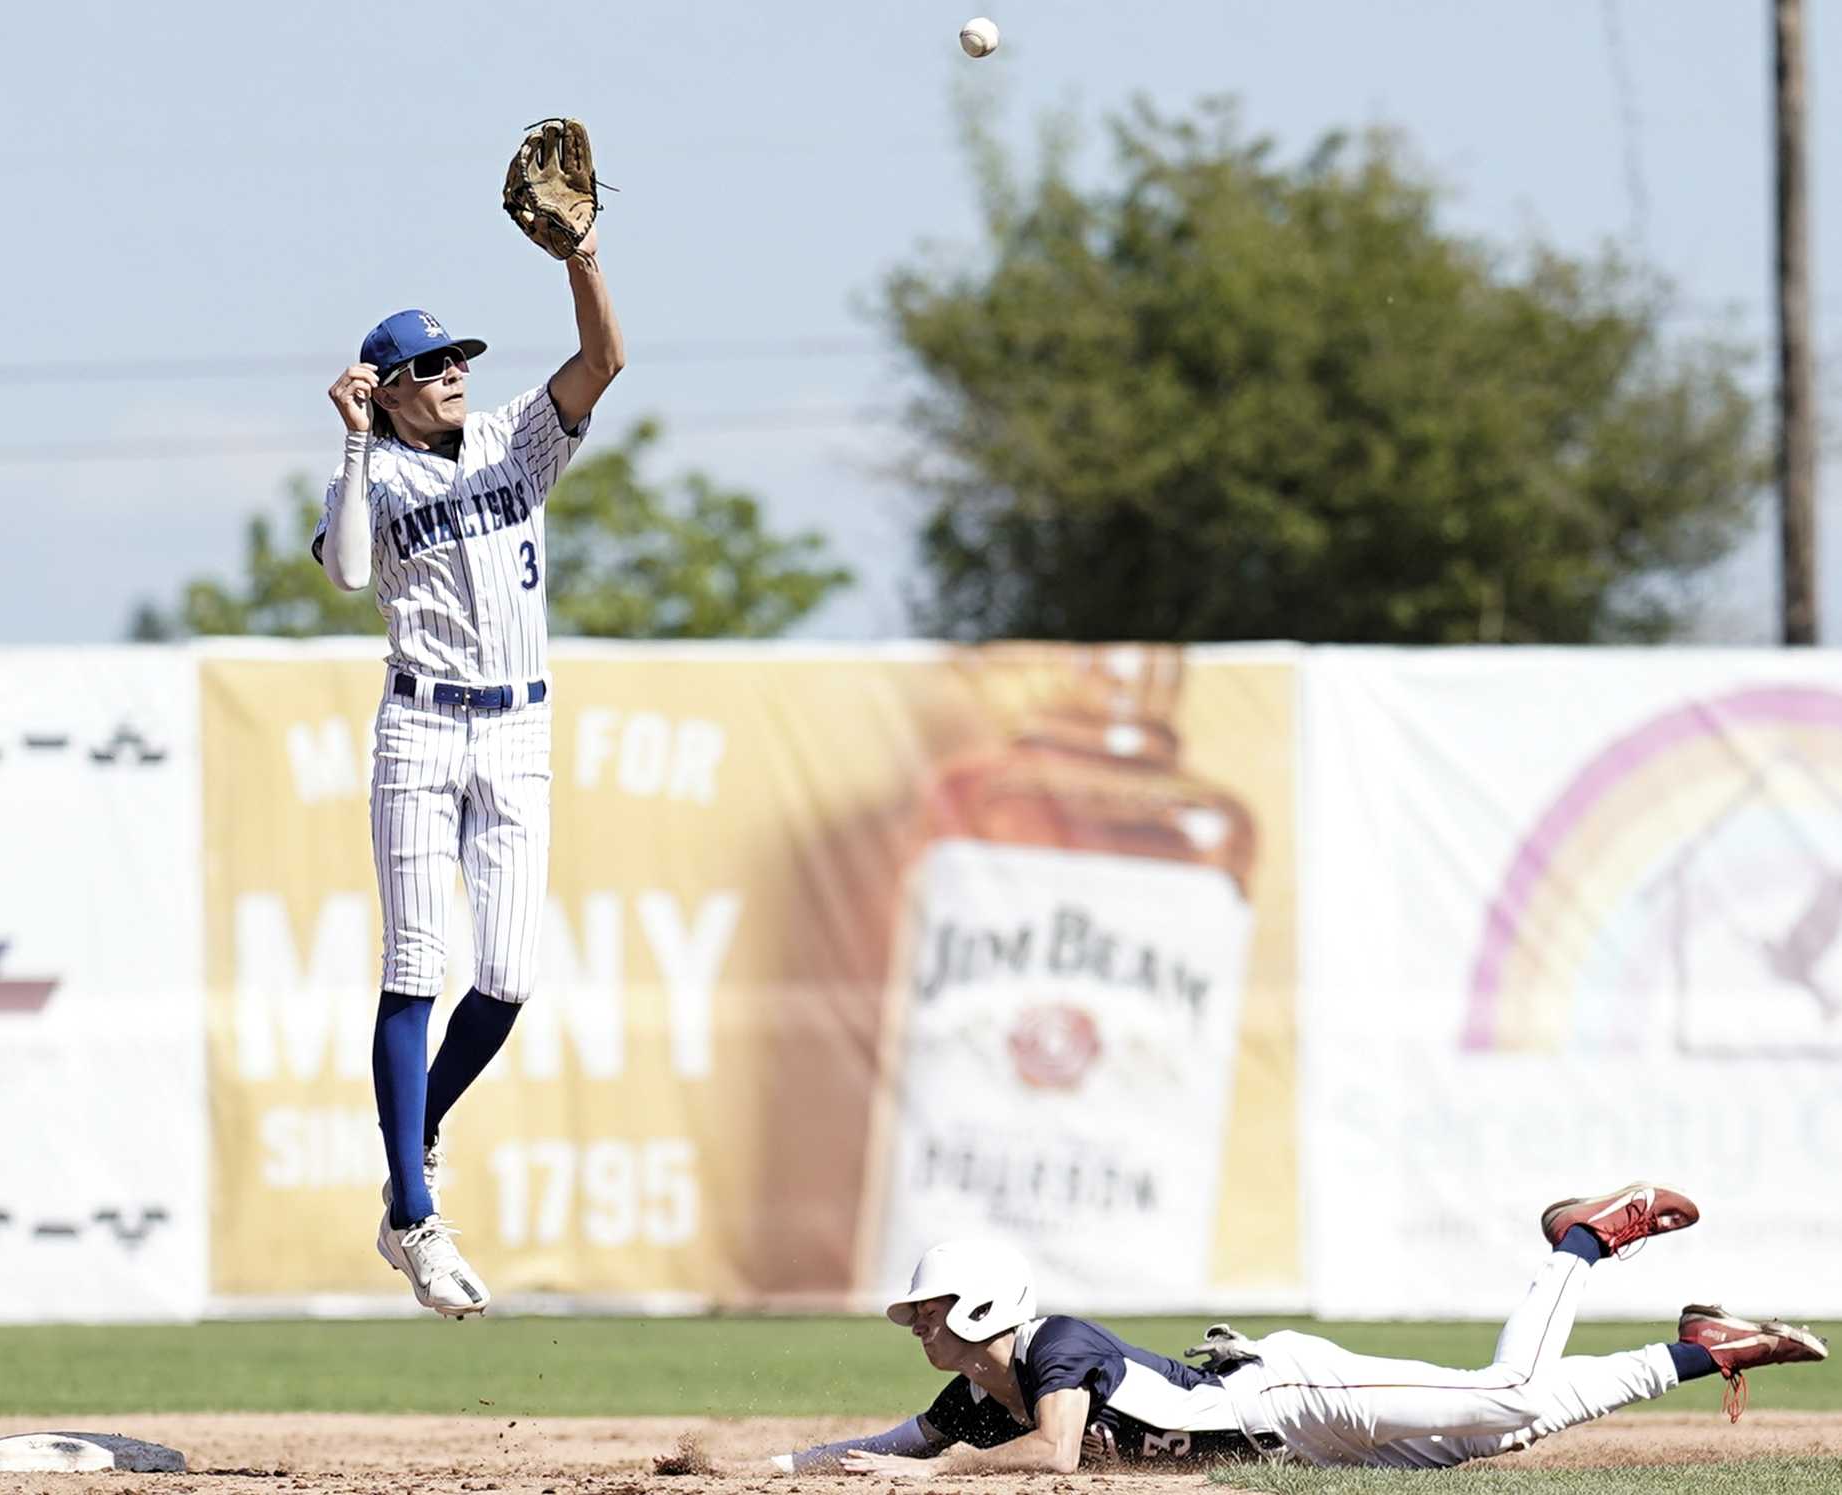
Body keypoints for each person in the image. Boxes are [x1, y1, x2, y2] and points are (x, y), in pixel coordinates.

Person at [317, 222, 624, 1317]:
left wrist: (582, 259)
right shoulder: (380, 474)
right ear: (388, 390)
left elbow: (602, 366)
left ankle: (418, 1138)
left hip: (518, 730)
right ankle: (415, 1211)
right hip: (420, 728)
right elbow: (350, 573)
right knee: (415, 961)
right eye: (431, 368)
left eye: (457, 362)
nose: (453, 376)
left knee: (505, 977)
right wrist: (353, 443)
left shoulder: (511, 444)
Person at [774, 1184, 1827, 1473]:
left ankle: (1584, 1242)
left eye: (930, 1312)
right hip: (1295, 1439)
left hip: (1288, 1397)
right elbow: (900, 1442)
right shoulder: (974, 1398)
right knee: (1505, 1429)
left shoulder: (1058, 1347)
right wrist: (789, 1465)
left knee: (1503, 1390)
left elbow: (1052, 1454)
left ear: (981, 1308)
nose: (919, 1327)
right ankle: (1705, 1347)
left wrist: (937, 1475)